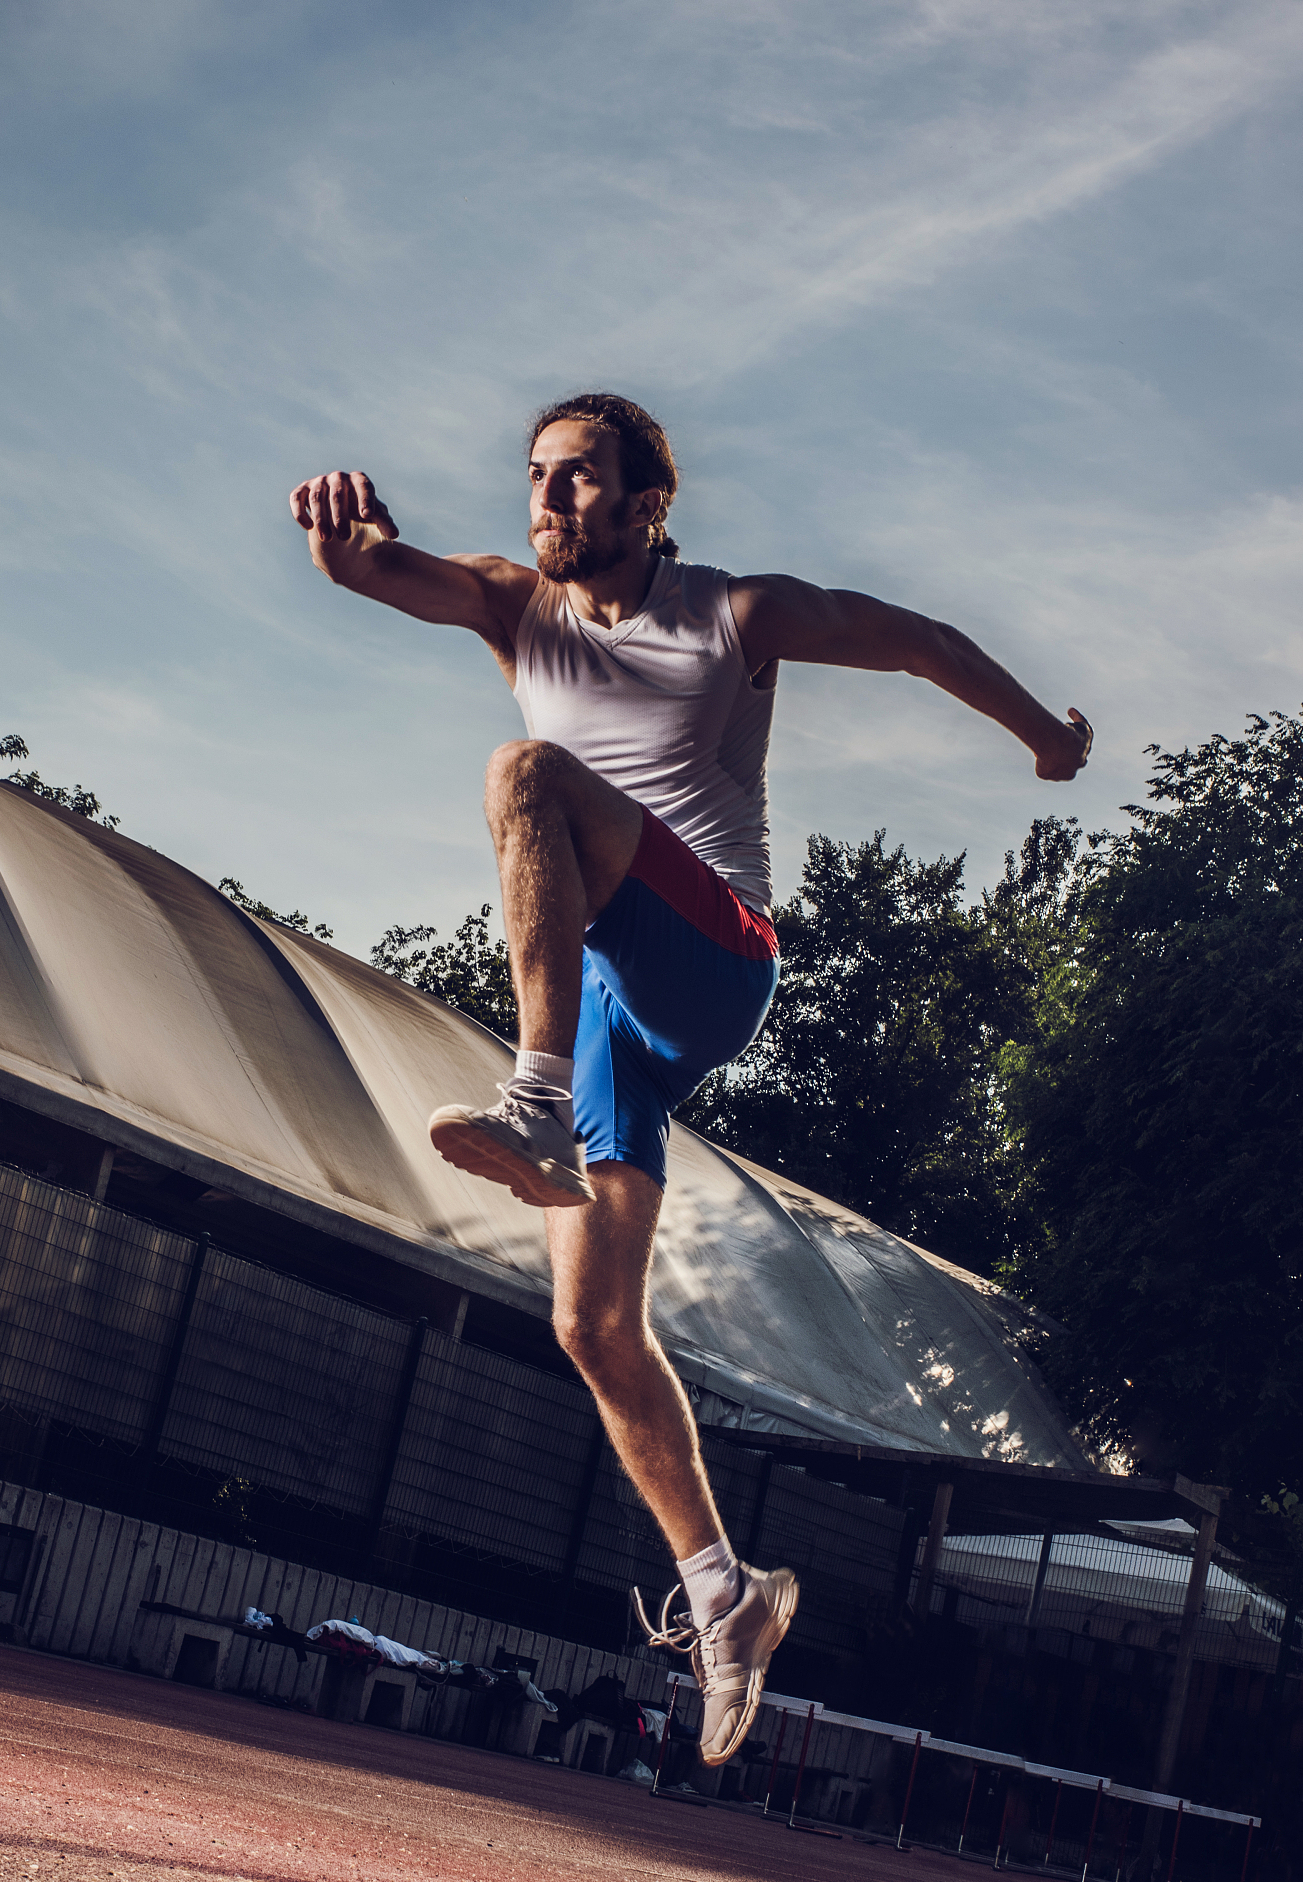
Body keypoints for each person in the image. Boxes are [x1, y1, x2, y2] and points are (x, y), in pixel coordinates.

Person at [288, 393, 1091, 1764]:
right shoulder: (508, 599)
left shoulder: (735, 613)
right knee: (591, 1326)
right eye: (535, 476)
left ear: (650, 503)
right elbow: (377, 572)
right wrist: (339, 547)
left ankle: (531, 1092)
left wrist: (1041, 736)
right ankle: (728, 1594)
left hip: (715, 951)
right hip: (610, 1002)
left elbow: (920, 642)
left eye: (580, 479)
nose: (547, 500)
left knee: (526, 771)